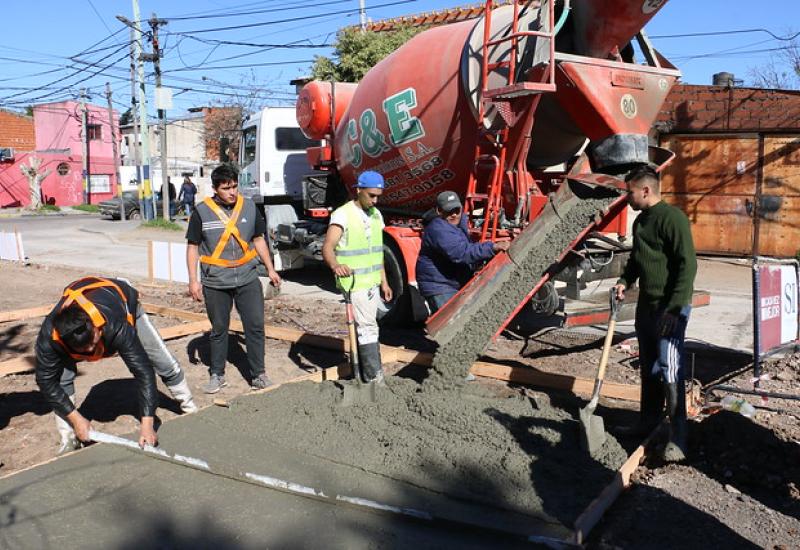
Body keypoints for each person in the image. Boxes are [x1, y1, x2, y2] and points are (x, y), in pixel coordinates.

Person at [35, 276, 198, 454]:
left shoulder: (116, 324)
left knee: (161, 360)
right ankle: (69, 437)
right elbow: (45, 381)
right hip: (79, 316)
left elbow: (143, 371)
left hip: (121, 300)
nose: (91, 351)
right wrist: (76, 419)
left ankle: (189, 407)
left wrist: (147, 424)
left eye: (93, 344)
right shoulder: (49, 338)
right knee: (61, 378)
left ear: (96, 328)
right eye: (84, 349)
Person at [612, 164, 697, 462]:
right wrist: (624, 281)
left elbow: (688, 265)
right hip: (647, 306)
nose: (627, 198)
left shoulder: (672, 219)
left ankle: (679, 436)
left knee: (670, 366)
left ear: (646, 190)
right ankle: (647, 421)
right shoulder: (641, 222)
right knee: (649, 366)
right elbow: (637, 260)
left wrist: (674, 309)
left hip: (669, 307)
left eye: (630, 192)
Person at [186, 163, 282, 394]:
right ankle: (217, 375)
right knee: (219, 329)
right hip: (216, 281)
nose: (232, 192)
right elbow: (193, 247)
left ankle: (258, 375)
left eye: (234, 186)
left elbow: (258, 240)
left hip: (247, 277)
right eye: (226, 188)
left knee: (255, 326)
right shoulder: (201, 212)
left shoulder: (248, 207)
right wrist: (193, 280)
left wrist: (270, 269)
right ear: (215, 189)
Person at [322, 171, 392, 384]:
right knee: (367, 327)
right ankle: (373, 377)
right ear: (359, 190)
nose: (375, 200)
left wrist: (384, 281)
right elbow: (328, 246)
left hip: (372, 282)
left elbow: (377, 251)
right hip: (354, 282)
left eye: (378, 196)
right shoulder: (343, 215)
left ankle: (368, 371)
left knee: (368, 326)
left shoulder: (376, 215)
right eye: (371, 195)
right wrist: (336, 265)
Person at [416, 191, 509, 314]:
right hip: (439, 286)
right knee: (451, 321)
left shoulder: (458, 223)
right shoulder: (438, 229)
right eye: (449, 211)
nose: (454, 214)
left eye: (457, 210)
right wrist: (492, 247)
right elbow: (461, 253)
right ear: (439, 211)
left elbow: (467, 246)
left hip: (453, 282)